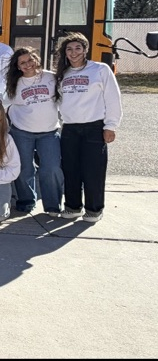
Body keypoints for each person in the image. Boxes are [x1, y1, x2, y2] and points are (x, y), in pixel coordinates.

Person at [55, 32, 123, 223]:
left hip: (94, 127)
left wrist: (111, 126)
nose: (73, 52)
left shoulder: (100, 70)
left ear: (85, 50)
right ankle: (72, 206)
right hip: (69, 128)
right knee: (71, 169)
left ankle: (94, 209)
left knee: (93, 170)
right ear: (65, 53)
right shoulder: (63, 74)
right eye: (69, 49)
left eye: (78, 48)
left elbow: (112, 98)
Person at [4, 46, 64, 216]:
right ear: (17, 66)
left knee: (51, 168)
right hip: (22, 132)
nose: (28, 64)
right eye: (23, 62)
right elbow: (3, 105)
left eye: (30, 60)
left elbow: (64, 100)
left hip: (49, 132)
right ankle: (26, 202)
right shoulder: (14, 83)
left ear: (37, 58)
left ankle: (52, 205)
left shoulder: (51, 78)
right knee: (24, 169)